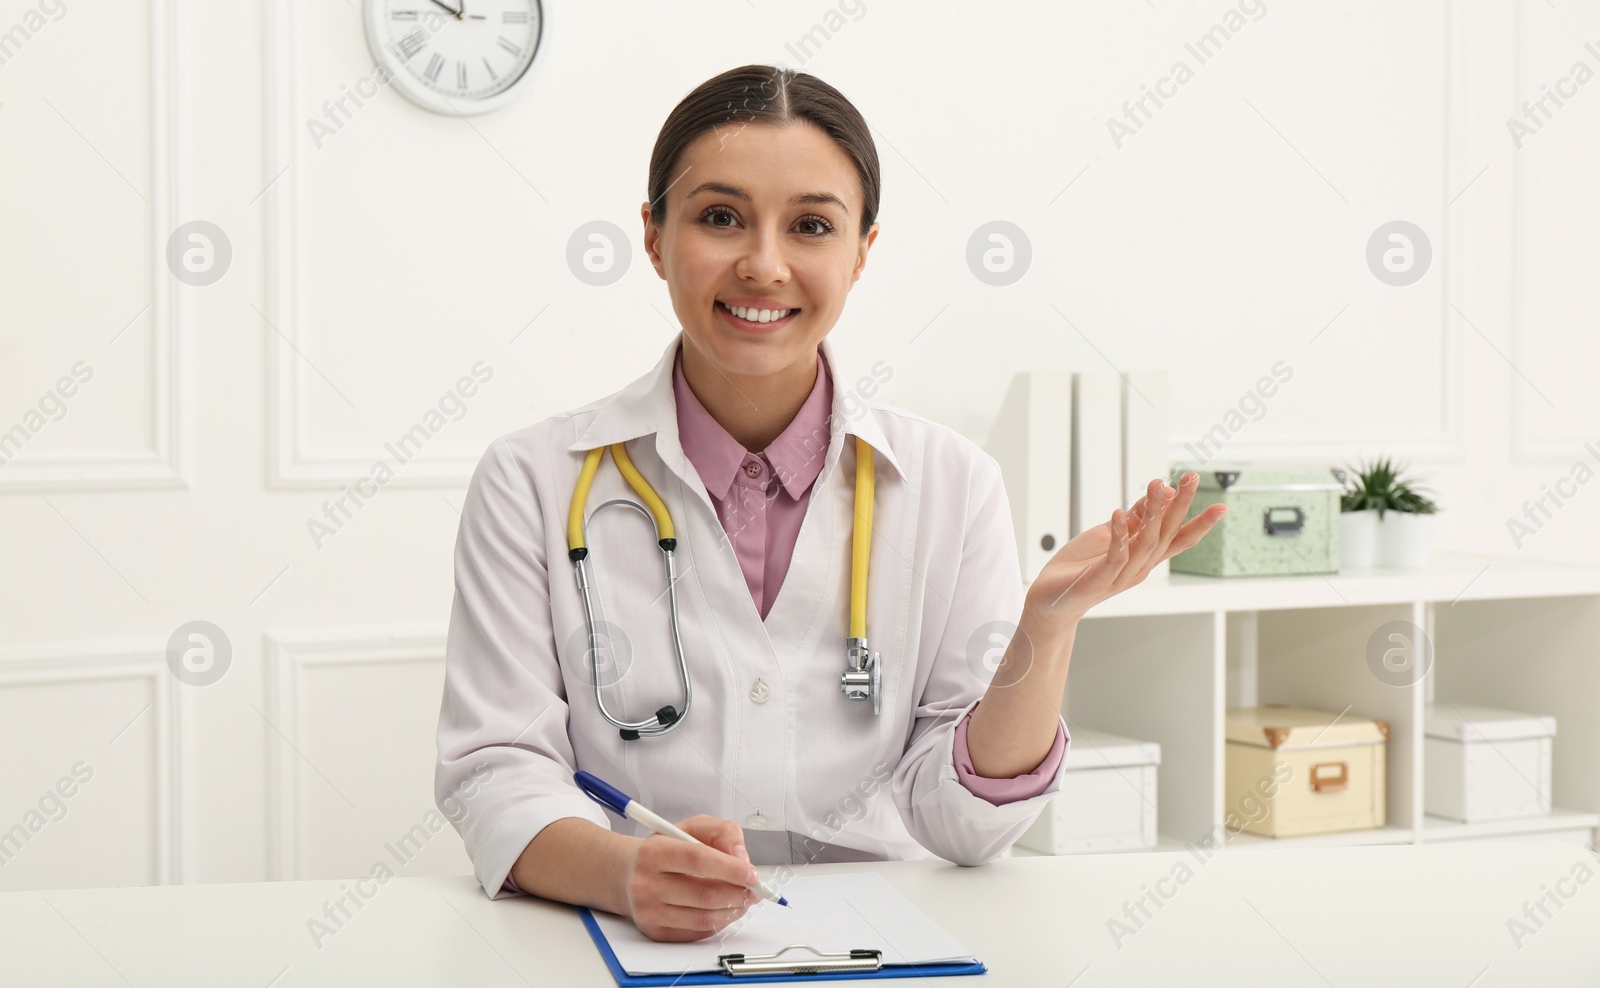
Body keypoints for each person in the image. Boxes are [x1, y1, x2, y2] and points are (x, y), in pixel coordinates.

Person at [434, 64, 1225, 943]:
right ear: (654, 237)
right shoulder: (533, 479)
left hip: (881, 944)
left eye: (810, 225)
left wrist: (1048, 626)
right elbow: (496, 770)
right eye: (720, 216)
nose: (764, 264)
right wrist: (626, 874)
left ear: (861, 252)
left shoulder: (952, 482)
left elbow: (963, 824)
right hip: (614, 940)